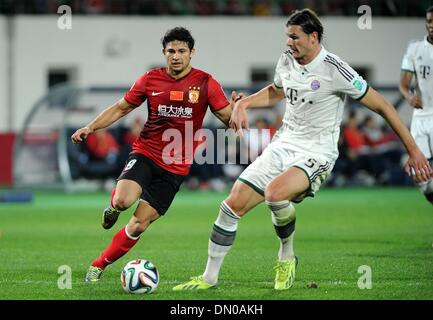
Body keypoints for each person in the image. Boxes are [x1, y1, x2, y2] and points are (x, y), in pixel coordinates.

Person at [173, 8, 432, 292]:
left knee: (274, 194)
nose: (289, 43)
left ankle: (286, 254)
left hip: (317, 151)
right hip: (284, 143)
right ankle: (208, 278)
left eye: (294, 37)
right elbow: (277, 90)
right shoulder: (287, 60)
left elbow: (383, 106)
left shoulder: (336, 69)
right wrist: (244, 103)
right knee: (230, 205)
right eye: (287, 37)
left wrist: (414, 150)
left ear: (313, 37)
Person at [71, 27, 239, 282]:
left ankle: (99, 265)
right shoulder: (150, 80)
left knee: (138, 224)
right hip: (146, 153)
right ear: (164, 53)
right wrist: (90, 127)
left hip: (176, 168)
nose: (176, 56)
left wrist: (239, 110)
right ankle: (113, 207)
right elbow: (121, 108)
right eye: (171, 51)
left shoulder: (206, 83)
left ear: (192, 53)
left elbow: (228, 118)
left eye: (182, 51)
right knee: (122, 202)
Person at [399, 5, 433, 204]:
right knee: (420, 177)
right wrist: (409, 96)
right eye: (429, 22)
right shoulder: (415, 49)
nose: (432, 26)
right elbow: (403, 85)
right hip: (420, 118)